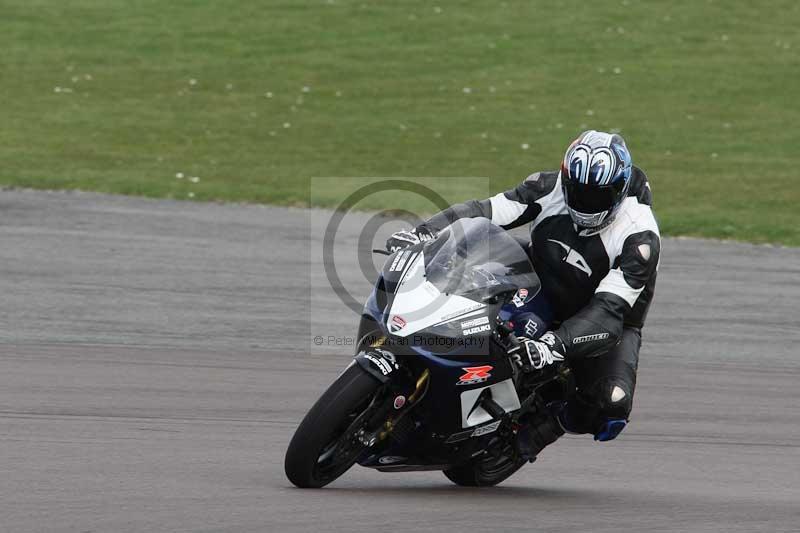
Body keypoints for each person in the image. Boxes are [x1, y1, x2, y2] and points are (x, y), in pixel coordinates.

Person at [386, 130, 660, 458]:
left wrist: (552, 345)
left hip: (602, 318)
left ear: (620, 188)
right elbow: (484, 211)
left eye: (598, 196)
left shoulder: (639, 236)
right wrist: (424, 233)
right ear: (566, 179)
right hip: (540, 276)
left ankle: (549, 425)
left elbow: (610, 308)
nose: (586, 204)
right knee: (463, 270)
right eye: (578, 192)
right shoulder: (548, 187)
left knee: (611, 403)